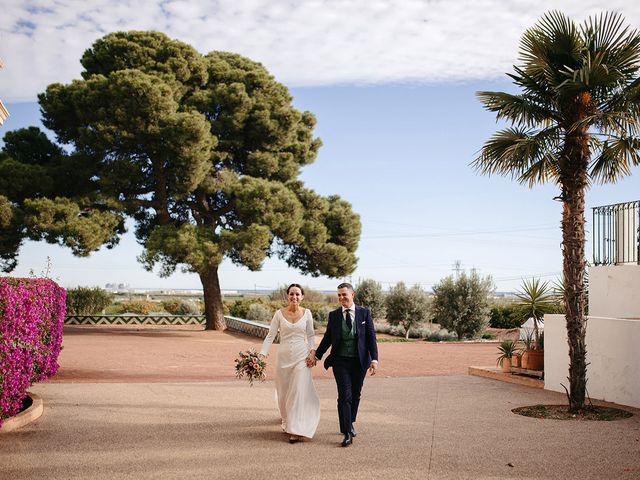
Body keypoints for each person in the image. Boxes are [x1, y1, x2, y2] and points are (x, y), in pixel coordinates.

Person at [309, 282, 378, 447]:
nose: (341, 298)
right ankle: (347, 432)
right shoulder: (334, 315)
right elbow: (327, 339)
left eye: (344, 295)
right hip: (340, 361)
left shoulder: (364, 313)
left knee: (356, 395)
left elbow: (371, 338)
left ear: (352, 295)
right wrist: (316, 357)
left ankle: (349, 422)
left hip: (360, 361)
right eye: (339, 295)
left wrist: (374, 360)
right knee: (344, 395)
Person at [260, 284, 320, 443]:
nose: (294, 297)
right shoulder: (279, 314)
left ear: (302, 297)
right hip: (283, 357)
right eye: (292, 294)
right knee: (284, 391)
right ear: (287, 296)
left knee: (298, 391)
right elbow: (270, 335)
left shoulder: (307, 313)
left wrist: (312, 352)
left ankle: (296, 429)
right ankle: (286, 419)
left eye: (297, 294)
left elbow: (311, 335)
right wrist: (261, 354)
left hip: (302, 357)